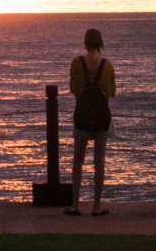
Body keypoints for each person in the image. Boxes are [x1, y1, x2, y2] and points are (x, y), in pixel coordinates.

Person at [66, 27, 116, 217]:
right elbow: (111, 92)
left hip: (82, 117)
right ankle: (96, 206)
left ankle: (75, 205)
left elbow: (74, 89)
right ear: (100, 42)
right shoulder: (107, 65)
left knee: (78, 160)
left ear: (86, 42)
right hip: (102, 118)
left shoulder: (77, 63)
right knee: (99, 161)